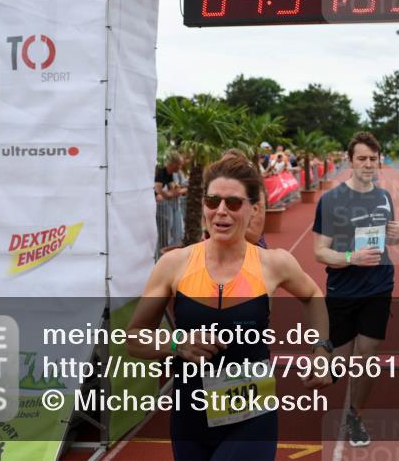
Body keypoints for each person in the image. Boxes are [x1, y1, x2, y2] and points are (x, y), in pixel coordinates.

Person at [127, 153, 334, 461]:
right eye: (213, 201)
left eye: (234, 203)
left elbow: (312, 296)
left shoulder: (273, 263)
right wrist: (176, 343)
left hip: (251, 415)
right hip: (189, 416)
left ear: (253, 209)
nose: (221, 211)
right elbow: (134, 338)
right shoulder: (174, 264)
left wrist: (321, 349)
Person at [312, 131, 399, 447]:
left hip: (379, 287)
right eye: (362, 158)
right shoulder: (331, 200)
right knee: (335, 367)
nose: (368, 164)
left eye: (373, 158)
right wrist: (350, 258)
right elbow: (319, 251)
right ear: (350, 160)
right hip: (342, 291)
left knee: (368, 356)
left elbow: (389, 237)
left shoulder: (384, 197)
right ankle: (324, 355)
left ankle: (354, 416)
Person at [155, 152, 188, 250]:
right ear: (173, 164)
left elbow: (174, 191)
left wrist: (173, 192)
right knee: (164, 234)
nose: (180, 167)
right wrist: (170, 193)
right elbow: (161, 192)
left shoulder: (169, 174)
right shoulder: (161, 172)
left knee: (177, 232)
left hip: (168, 206)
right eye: (179, 165)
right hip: (162, 209)